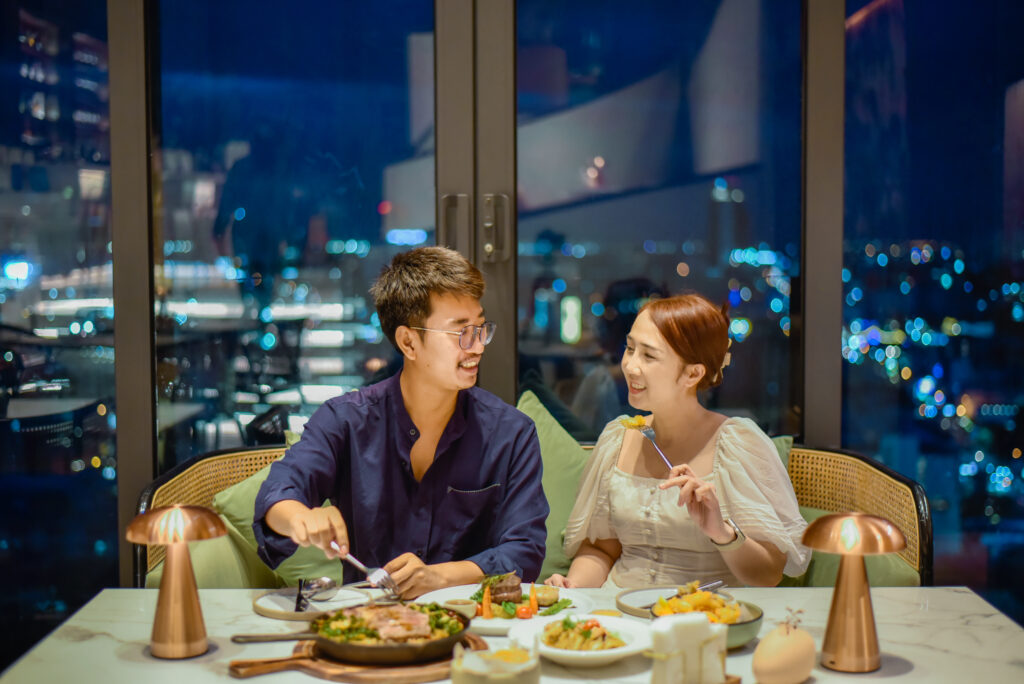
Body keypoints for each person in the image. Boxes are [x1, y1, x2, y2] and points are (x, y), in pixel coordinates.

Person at [254, 246, 549, 597]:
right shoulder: (346, 420)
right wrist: (302, 518)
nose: (478, 346)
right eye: (460, 332)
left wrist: (438, 577)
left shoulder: (511, 433)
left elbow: (525, 550)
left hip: (474, 622)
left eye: (480, 328)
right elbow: (280, 492)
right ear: (409, 342)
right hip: (368, 623)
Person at [546, 293, 809, 589]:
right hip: (618, 618)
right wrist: (573, 585)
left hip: (706, 619)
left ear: (692, 373)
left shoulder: (738, 444)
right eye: (630, 349)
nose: (630, 366)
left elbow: (769, 575)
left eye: (649, 356)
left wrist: (721, 532)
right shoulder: (618, 438)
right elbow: (602, 549)